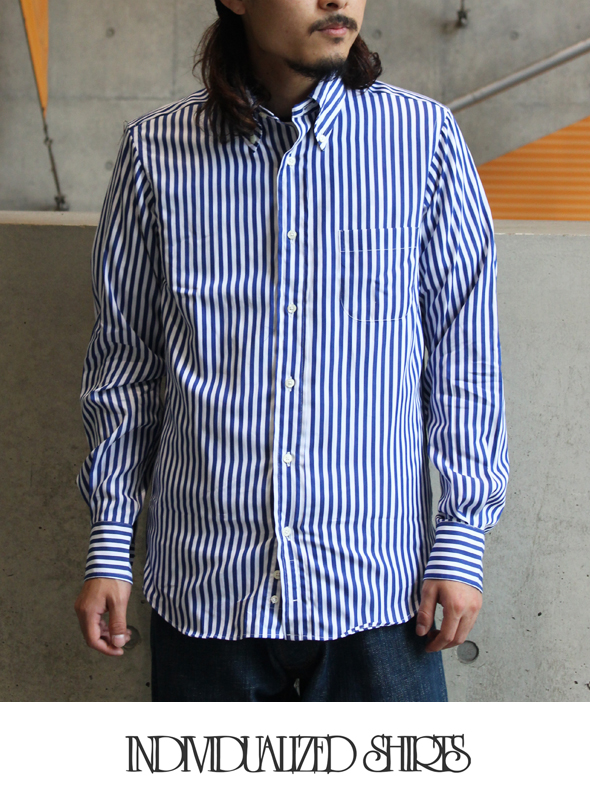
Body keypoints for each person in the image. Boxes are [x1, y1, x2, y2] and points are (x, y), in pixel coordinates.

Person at [74, 0, 509, 702]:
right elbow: (126, 364)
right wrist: (110, 542)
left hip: (379, 590)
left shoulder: (423, 140)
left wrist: (462, 538)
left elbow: (466, 352)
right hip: (207, 584)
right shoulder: (155, 152)